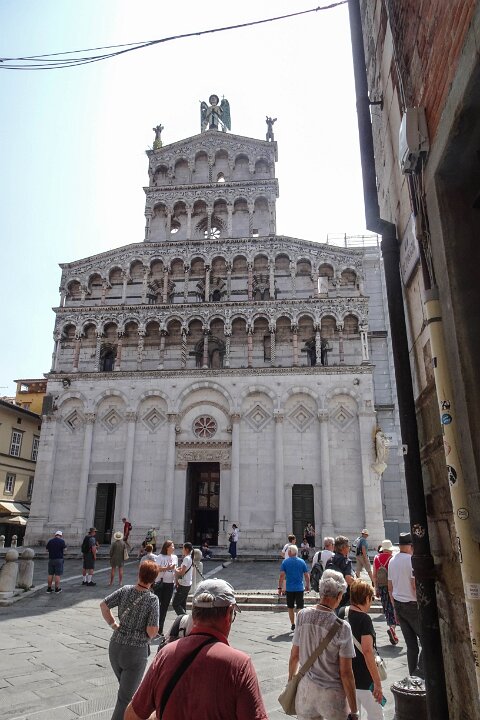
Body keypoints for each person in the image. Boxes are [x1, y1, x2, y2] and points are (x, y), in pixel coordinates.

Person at [124, 578, 268, 720]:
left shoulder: (165, 654)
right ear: (228, 613)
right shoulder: (239, 665)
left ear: (193, 614)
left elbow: (131, 716)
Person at [288, 569, 358, 720]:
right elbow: (346, 673)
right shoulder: (343, 628)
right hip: (332, 697)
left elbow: (294, 656)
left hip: (306, 693)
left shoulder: (302, 615)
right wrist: (354, 710)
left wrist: (290, 682)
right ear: (339, 595)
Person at [100, 560, 160, 720]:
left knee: (125, 691)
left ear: (139, 574)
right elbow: (152, 631)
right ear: (154, 579)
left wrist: (113, 624)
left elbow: (104, 605)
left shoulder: (125, 590)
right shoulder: (152, 599)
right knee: (125, 699)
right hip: (135, 651)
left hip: (115, 646)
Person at [339, 579, 385, 719]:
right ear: (366, 598)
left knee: (353, 715)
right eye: (371, 598)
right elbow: (367, 651)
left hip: (345, 676)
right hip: (365, 679)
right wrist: (377, 683)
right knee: (377, 715)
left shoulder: (341, 612)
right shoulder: (365, 619)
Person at [388, 532, 423, 676]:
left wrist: (394, 608)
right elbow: (414, 585)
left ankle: (412, 675)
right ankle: (419, 673)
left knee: (411, 646)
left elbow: (390, 587)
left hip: (398, 604)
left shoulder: (392, 561)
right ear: (410, 546)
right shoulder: (411, 560)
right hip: (412, 605)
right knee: (427, 641)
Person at [278, 545, 310, 631]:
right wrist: (308, 585)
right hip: (299, 588)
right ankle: (299, 623)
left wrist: (280, 587)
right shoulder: (302, 562)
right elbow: (306, 575)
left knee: (290, 607)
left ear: (290, 552)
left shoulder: (285, 562)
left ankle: (293, 624)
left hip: (289, 588)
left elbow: (281, 576)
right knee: (299, 607)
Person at [373, 539, 398, 645]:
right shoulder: (392, 558)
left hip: (382, 587)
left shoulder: (376, 558)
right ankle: (393, 627)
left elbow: (374, 576)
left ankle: (391, 626)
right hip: (392, 586)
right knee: (394, 606)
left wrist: (376, 589)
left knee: (387, 608)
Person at [153, 540, 178, 635]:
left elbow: (175, 570)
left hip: (170, 584)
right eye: (172, 546)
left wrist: (177, 580)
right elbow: (156, 568)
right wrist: (167, 568)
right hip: (160, 583)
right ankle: (153, 627)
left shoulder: (175, 557)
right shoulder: (160, 557)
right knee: (157, 606)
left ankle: (160, 629)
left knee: (165, 606)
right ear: (167, 547)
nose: (173, 548)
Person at [325, 535, 356, 610]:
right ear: (343, 548)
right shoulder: (346, 561)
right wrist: (357, 583)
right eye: (348, 546)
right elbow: (348, 579)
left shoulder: (330, 560)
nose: (349, 548)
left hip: (331, 593)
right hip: (343, 596)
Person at [173, 542, 194, 616]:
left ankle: (184, 618)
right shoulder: (190, 558)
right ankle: (184, 619)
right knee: (182, 603)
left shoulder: (186, 558)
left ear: (186, 549)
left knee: (175, 604)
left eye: (183, 548)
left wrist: (175, 569)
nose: (182, 550)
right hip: (188, 583)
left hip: (184, 584)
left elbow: (182, 572)